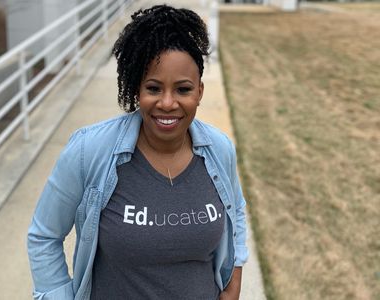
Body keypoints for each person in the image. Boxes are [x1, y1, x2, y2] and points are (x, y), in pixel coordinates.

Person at [27, 4, 248, 300]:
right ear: (136, 91)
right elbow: (45, 235)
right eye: (154, 88)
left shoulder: (219, 149)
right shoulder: (89, 150)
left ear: (199, 92)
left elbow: (237, 213)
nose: (168, 103)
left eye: (183, 89)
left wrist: (233, 287)